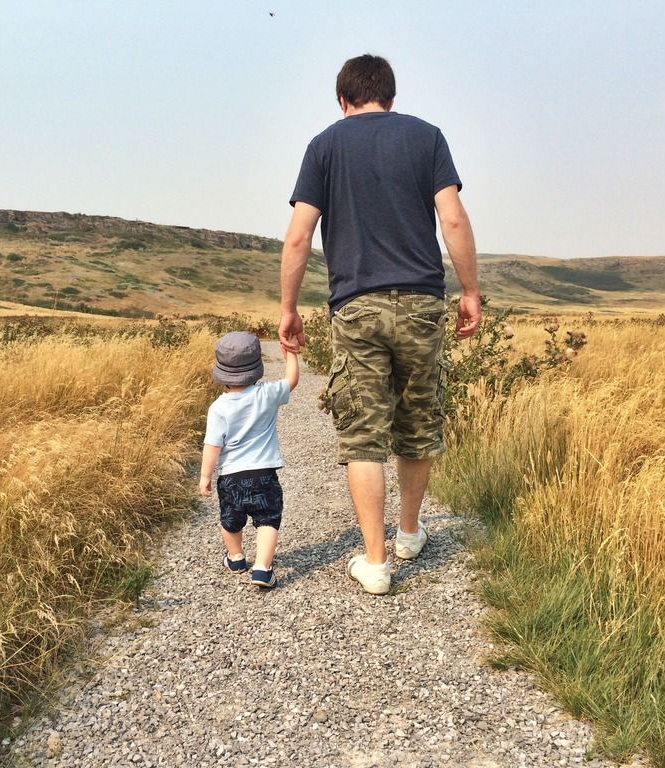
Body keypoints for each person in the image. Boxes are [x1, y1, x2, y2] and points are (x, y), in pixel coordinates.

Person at [278, 54, 481, 595]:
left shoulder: (324, 145)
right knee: (417, 423)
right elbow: (453, 218)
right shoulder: (427, 138)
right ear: (389, 96)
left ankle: (375, 562)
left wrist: (288, 308)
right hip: (421, 302)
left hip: (357, 306)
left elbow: (299, 236)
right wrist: (471, 292)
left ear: (343, 100)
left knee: (363, 434)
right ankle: (410, 533)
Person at [199, 331, 300, 588]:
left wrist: (205, 476)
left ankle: (235, 557)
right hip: (264, 475)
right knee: (267, 519)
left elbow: (212, 446)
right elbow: (291, 380)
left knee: (231, 520)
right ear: (256, 368)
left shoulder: (218, 408)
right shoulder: (267, 394)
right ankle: (262, 568)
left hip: (231, 477)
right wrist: (291, 354)